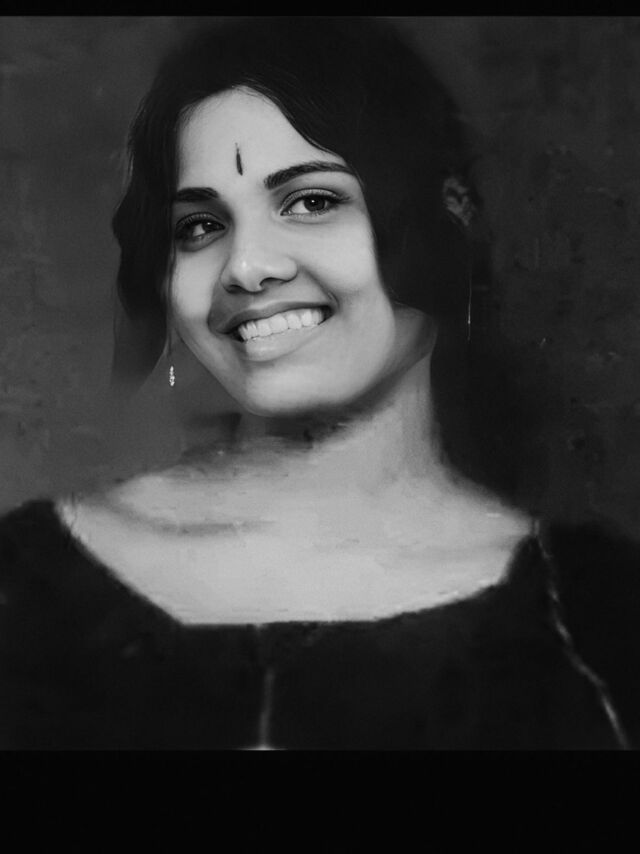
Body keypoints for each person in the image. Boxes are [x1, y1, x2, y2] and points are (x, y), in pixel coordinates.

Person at [1, 16, 639, 750]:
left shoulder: (599, 617)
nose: (246, 267)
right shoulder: (25, 579)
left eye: (311, 202)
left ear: (451, 217)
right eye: (201, 226)